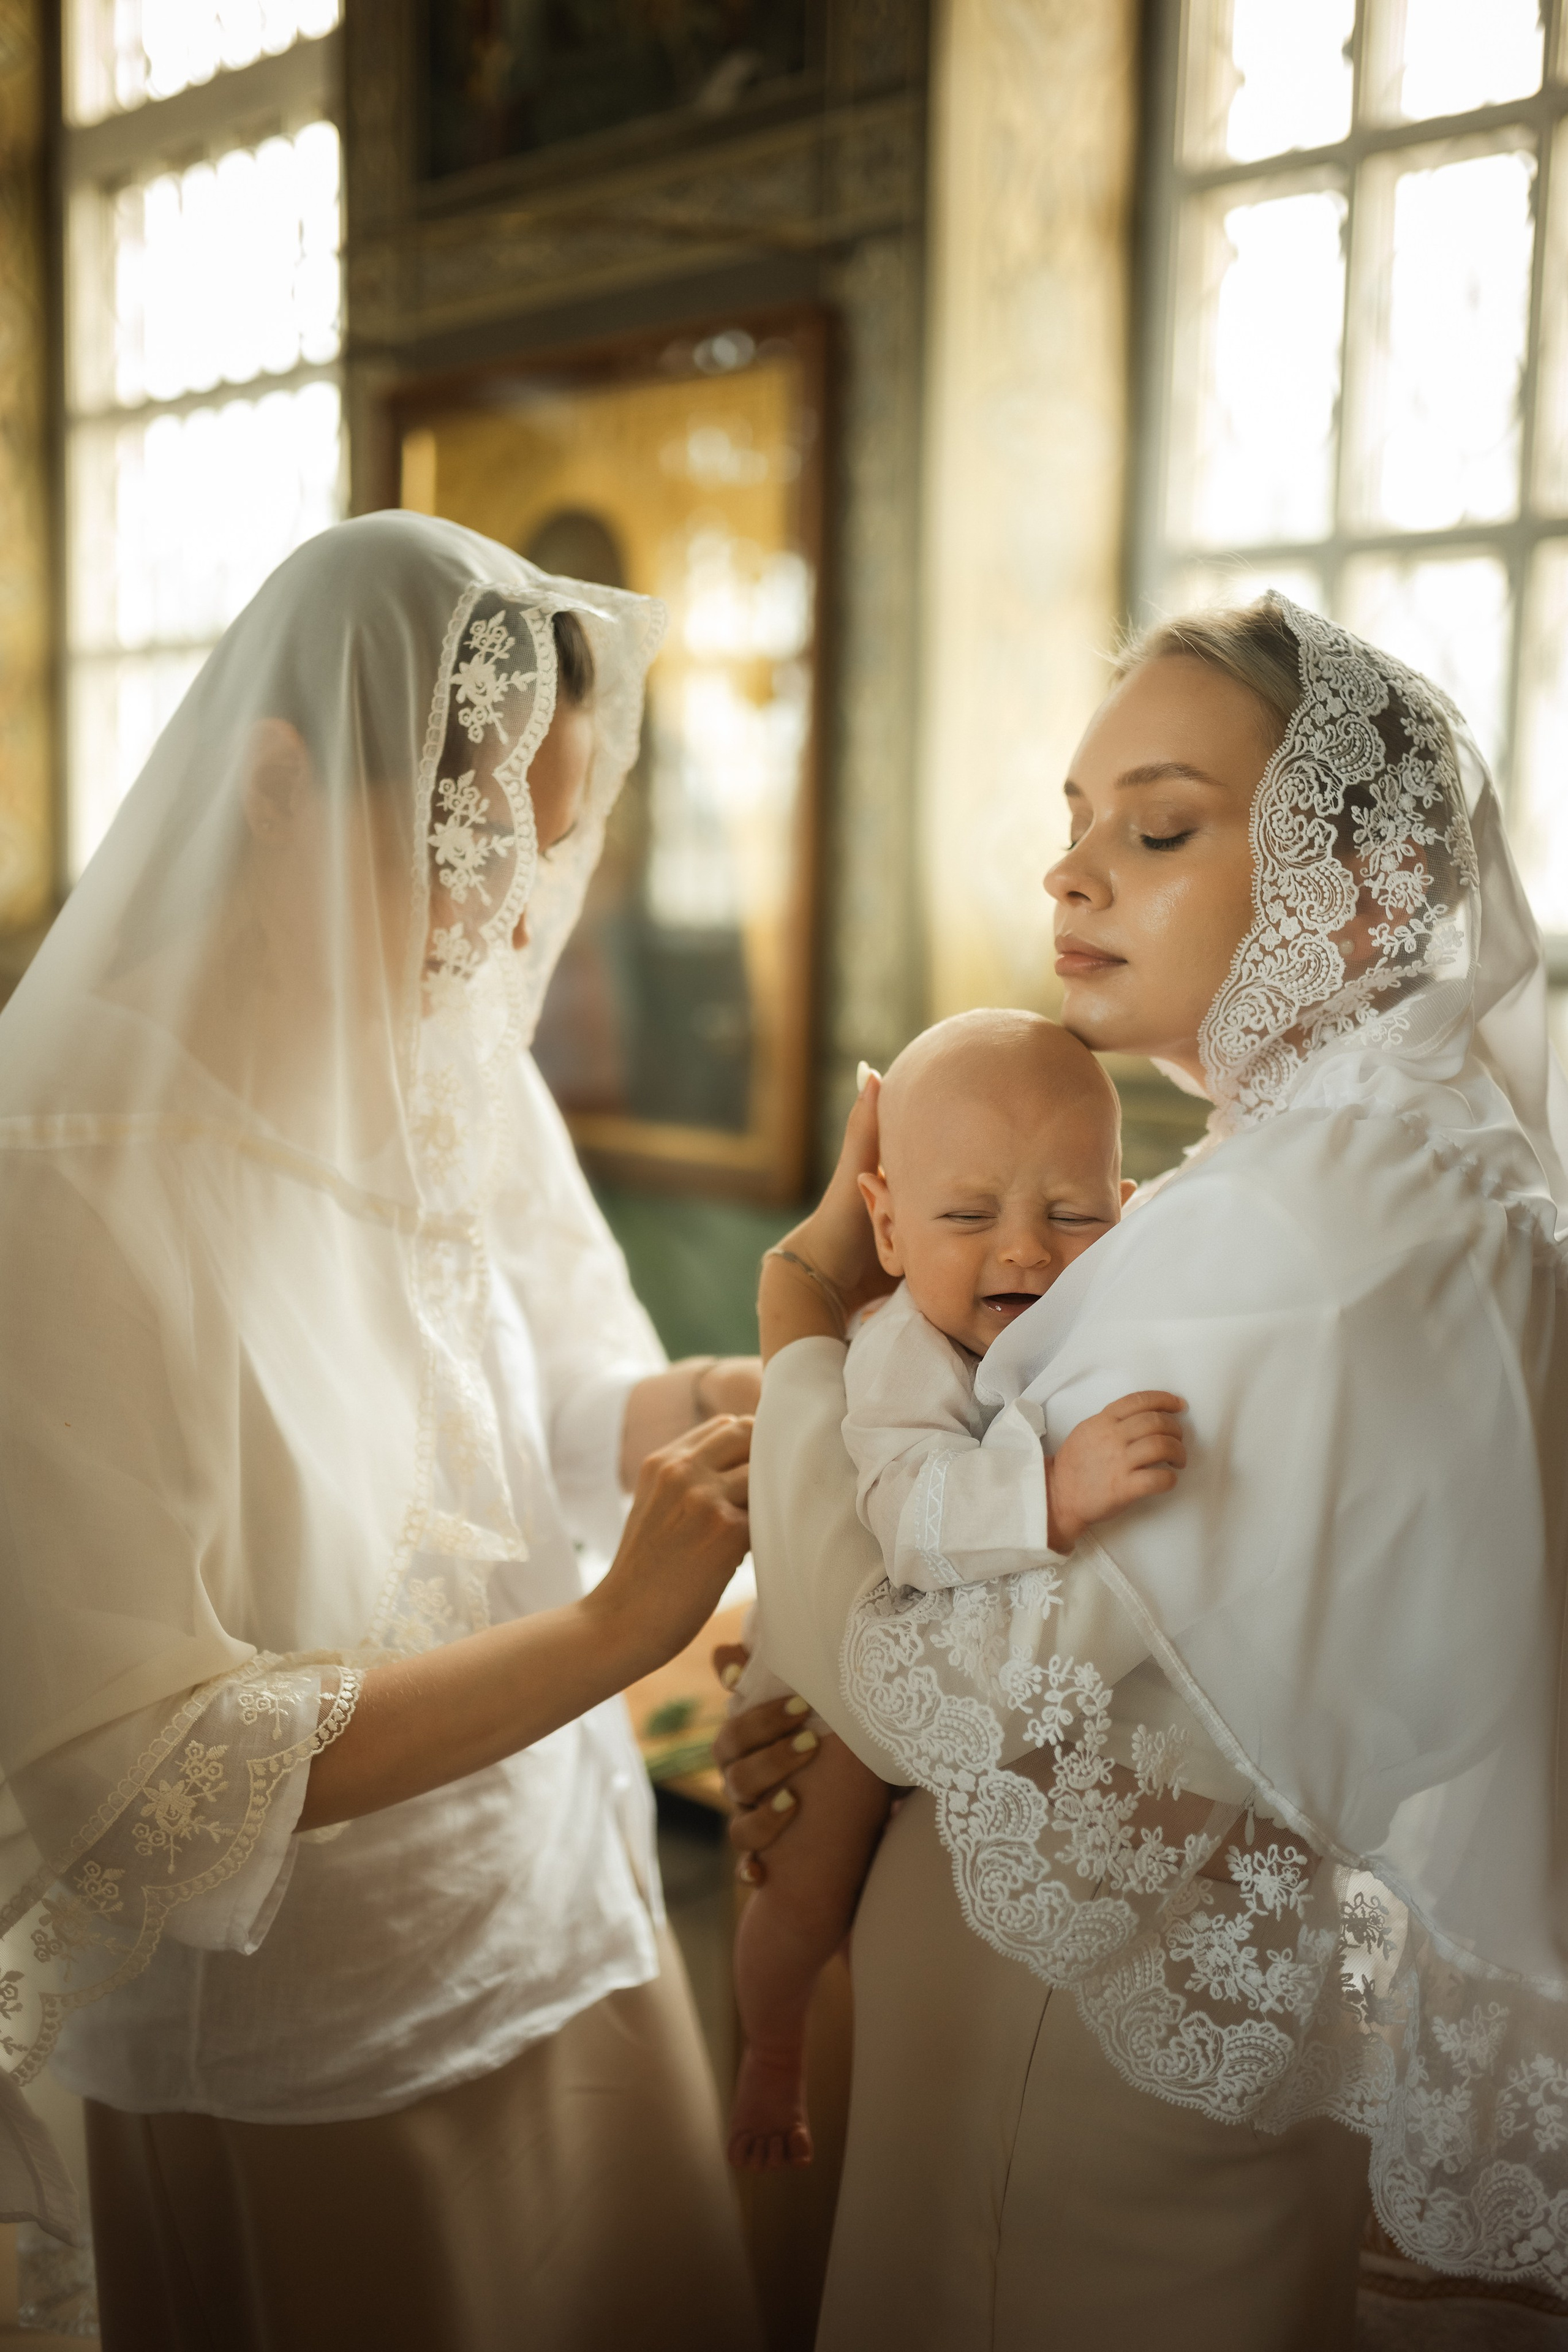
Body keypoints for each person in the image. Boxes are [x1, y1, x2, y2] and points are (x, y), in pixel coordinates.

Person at [720, 597, 1568, 2349]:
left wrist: (803, 1316)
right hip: (1167, 2013)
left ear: (1352, 882)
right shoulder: (1408, 1165)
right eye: (1074, 821)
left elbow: (929, 1687)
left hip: (1064, 2065)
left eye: (1159, 828)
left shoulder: (1293, 1234)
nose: (1071, 874)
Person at [0, 511, 766, 2352]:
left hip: (556, 1901)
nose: (506, 915)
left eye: (540, 849)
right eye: (472, 843)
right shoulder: (60, 1184)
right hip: (307, 2041)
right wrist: (616, 1629)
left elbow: (528, 1411)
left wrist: (693, 1415)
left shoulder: (451, 1063)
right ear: (277, 785)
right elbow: (144, 1775)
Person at [725, 1008, 1186, 2169]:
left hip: (984, 1683)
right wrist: (1052, 1494)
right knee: (806, 1885)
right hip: (836, 1653)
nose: (1024, 1251)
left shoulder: (1102, 1324)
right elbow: (908, 1522)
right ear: (885, 1224)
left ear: (1127, 1215)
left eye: (1072, 1216)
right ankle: (771, 2044)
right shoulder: (902, 1355)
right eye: (969, 1217)